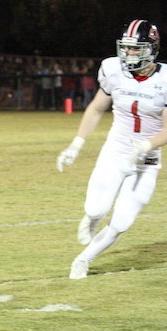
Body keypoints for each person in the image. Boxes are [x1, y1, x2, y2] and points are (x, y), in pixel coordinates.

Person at [56, 19, 167, 279]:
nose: (128, 53)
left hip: (147, 158)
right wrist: (77, 143)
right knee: (96, 208)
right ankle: (92, 219)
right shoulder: (112, 69)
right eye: (126, 47)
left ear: (152, 49)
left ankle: (83, 259)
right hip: (117, 150)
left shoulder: (165, 79)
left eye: (136, 48)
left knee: (122, 222)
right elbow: (96, 108)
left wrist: (145, 146)